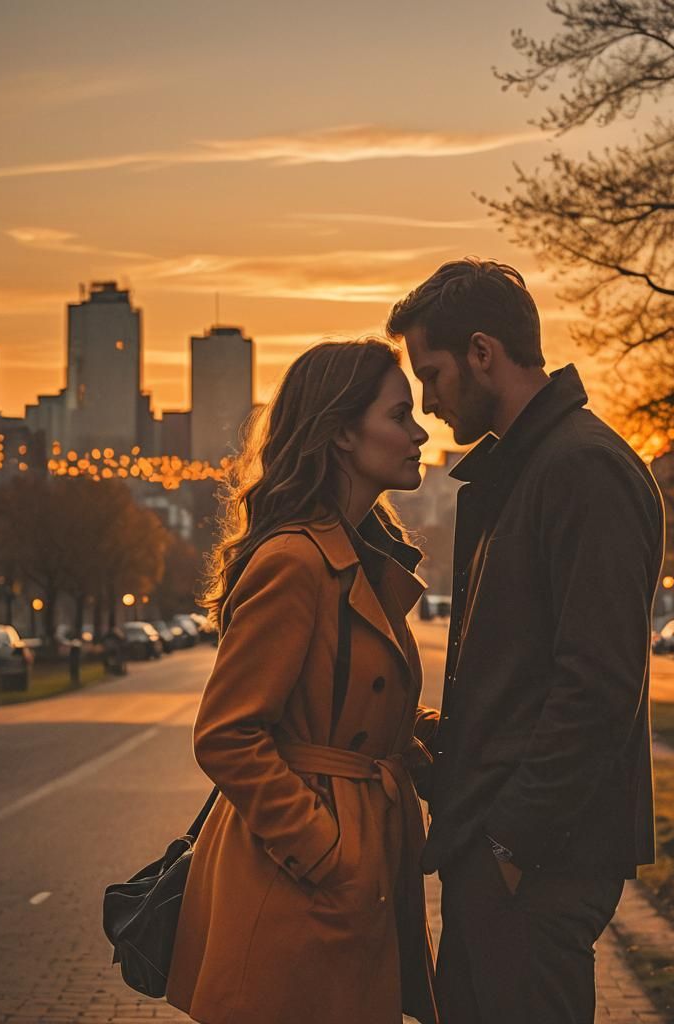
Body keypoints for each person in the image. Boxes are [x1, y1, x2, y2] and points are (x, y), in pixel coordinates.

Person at [388, 258, 664, 1024]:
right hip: (503, 852)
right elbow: (519, 679)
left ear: (483, 353)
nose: (428, 401)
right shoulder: (526, 470)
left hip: (535, 861)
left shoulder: (583, 469)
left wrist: (512, 845)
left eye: (432, 373)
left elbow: (599, 685)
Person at [165, 339, 440, 1024]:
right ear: (343, 432)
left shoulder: (356, 557)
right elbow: (227, 735)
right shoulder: (296, 561)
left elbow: (371, 714)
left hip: (351, 871)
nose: (419, 432)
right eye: (399, 415)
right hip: (295, 889)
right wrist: (326, 851)